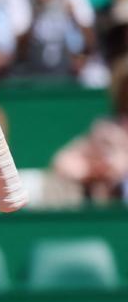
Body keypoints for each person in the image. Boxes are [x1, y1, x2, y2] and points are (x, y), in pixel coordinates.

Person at [52, 56, 128, 202]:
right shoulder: (106, 129)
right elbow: (62, 162)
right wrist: (91, 170)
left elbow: (119, 166)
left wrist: (119, 167)